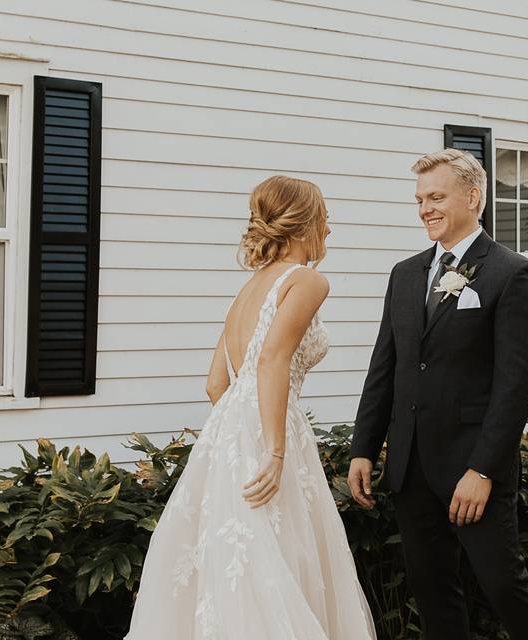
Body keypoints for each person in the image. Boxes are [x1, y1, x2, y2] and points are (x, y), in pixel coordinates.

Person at [126, 176, 376, 640]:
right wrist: (275, 448)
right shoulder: (307, 280)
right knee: (277, 556)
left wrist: (238, 431)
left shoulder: (247, 289)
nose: (329, 229)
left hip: (229, 429)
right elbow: (272, 359)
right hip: (270, 427)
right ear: (305, 224)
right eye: (325, 218)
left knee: (240, 560)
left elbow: (215, 384)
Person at [348, 149, 528, 640]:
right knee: (432, 591)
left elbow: (515, 387)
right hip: (411, 466)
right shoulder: (404, 274)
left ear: (473, 197)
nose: (425, 209)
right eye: (420, 199)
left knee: (504, 585)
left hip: (473, 468)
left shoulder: (512, 275)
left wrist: (483, 470)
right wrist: (363, 447)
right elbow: (386, 367)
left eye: (436, 197)